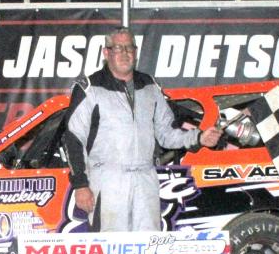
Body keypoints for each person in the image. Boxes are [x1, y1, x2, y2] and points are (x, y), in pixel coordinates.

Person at [63, 27, 222, 231]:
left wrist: (199, 138)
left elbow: (166, 133)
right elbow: (74, 139)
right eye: (118, 48)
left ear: (136, 52)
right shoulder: (89, 88)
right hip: (108, 180)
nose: (125, 53)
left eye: (129, 48)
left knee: (149, 248)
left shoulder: (149, 86)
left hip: (145, 179)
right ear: (106, 52)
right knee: (112, 249)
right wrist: (80, 185)